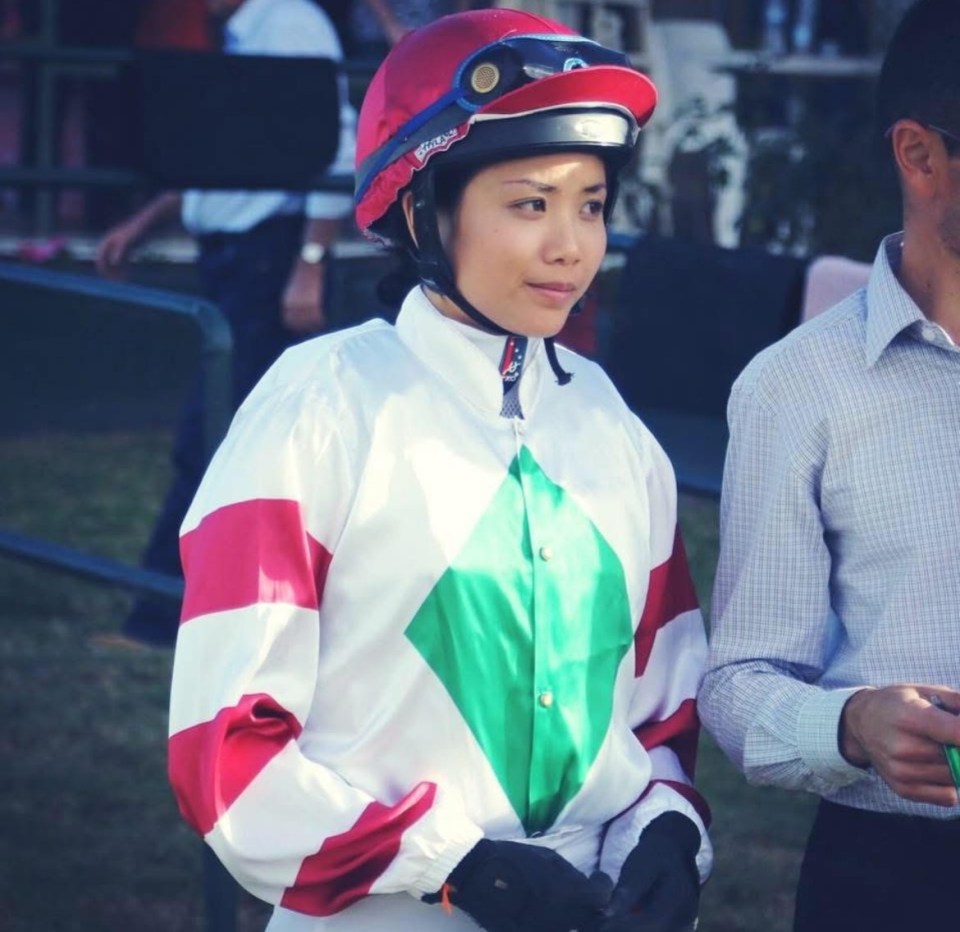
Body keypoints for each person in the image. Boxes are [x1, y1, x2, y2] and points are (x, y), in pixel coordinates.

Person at [167, 9, 713, 932]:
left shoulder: (610, 423)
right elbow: (224, 753)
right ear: (423, 209)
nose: (572, 245)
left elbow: (662, 713)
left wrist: (663, 827)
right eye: (530, 203)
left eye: (591, 204)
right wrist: (456, 868)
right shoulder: (319, 403)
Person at [698, 1, 960, 929]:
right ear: (920, 155)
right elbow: (738, 682)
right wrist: (852, 726)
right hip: (897, 875)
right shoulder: (795, 387)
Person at [94, 0, 357, 648]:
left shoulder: (290, 26)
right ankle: (237, 612)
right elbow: (224, 148)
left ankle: (162, 619)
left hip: (266, 259)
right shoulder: (243, 31)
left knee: (212, 439)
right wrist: (142, 221)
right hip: (237, 258)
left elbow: (336, 146)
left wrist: (310, 262)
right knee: (234, 439)